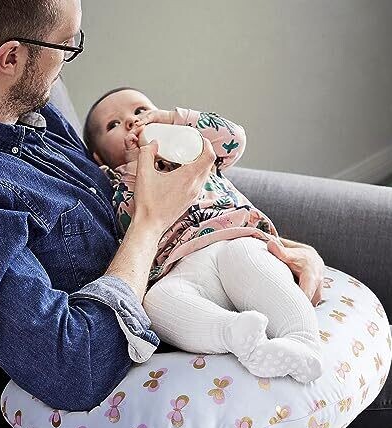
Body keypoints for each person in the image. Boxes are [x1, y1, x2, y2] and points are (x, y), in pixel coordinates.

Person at [0, 1, 392, 428]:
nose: (69, 59)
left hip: (210, 307)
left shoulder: (29, 110)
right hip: (171, 399)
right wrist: (151, 220)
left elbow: (142, 194)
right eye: (67, 45)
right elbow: (71, 366)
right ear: (10, 57)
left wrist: (264, 244)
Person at [83, 87, 323, 384]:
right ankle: (237, 334)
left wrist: (174, 119)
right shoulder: (117, 188)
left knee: (247, 257)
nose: (131, 122)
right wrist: (136, 165)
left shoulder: (197, 151)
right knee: (156, 303)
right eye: (113, 124)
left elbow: (234, 138)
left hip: (234, 238)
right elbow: (129, 220)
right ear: (99, 157)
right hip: (179, 267)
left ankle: (302, 341)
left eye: (140, 111)